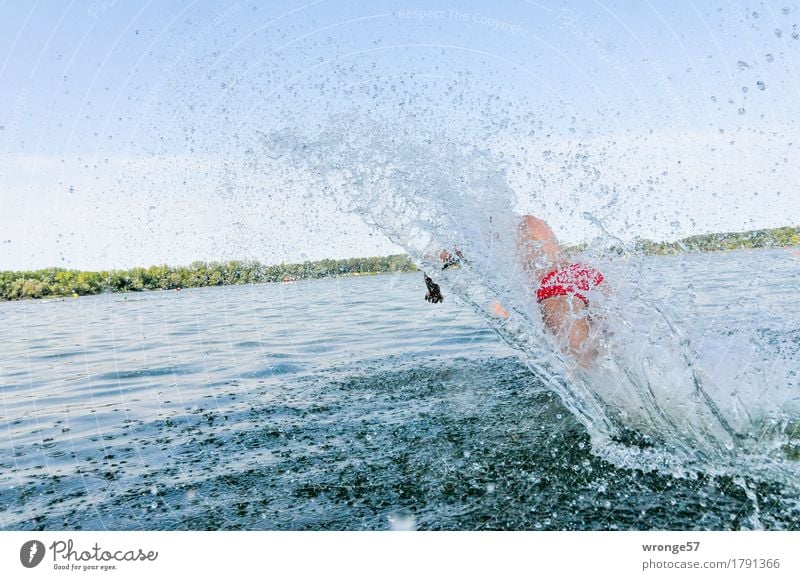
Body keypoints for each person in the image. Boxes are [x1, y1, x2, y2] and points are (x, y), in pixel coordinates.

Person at [424, 215, 605, 364]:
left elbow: (432, 259)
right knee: (609, 349)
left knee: (583, 366)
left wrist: (432, 287)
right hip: (584, 274)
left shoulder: (478, 236)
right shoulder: (528, 221)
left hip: (554, 288)